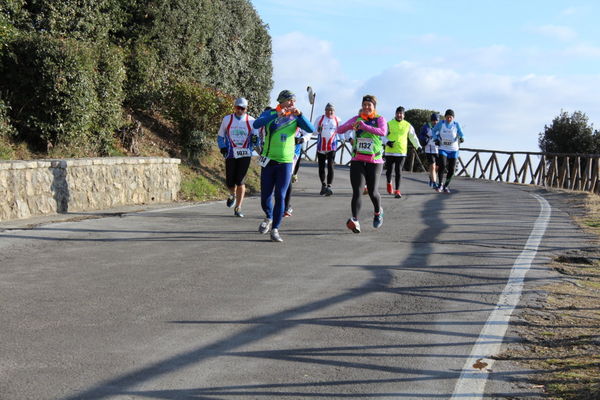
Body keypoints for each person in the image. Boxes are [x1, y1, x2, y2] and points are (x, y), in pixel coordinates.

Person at [253, 90, 315, 242]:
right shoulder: (271, 114)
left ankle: (275, 229)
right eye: (290, 101)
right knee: (265, 196)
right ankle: (268, 217)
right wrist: (277, 114)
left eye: (294, 101)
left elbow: (311, 129)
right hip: (268, 160)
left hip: (286, 162)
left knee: (280, 195)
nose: (293, 104)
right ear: (282, 101)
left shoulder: (295, 117)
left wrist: (300, 115)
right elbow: (256, 123)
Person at [336, 95, 387, 233]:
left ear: (374, 107)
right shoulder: (356, 118)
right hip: (358, 159)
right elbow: (339, 130)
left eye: (369, 105)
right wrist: (350, 126)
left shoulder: (379, 119)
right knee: (357, 191)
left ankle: (378, 212)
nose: (366, 107)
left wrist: (365, 126)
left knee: (372, 191)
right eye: (364, 104)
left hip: (374, 161)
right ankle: (355, 220)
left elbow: (382, 132)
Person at [216, 97, 258, 217]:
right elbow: (220, 136)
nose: (240, 110)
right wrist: (222, 147)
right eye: (238, 108)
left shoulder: (251, 121)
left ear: (246, 109)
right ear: (234, 107)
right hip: (230, 152)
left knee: (240, 180)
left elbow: (256, 138)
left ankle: (238, 207)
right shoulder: (227, 119)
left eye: (242, 108)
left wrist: (255, 143)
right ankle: (232, 194)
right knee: (230, 181)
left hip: (245, 153)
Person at [384, 106, 421, 198]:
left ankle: (397, 191)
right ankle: (389, 183)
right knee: (389, 171)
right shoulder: (389, 123)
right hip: (389, 151)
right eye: (398, 113)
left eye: (401, 113)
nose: (399, 115)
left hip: (401, 152)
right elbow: (382, 135)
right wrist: (387, 142)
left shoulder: (408, 125)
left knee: (398, 171)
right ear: (395, 114)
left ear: (404, 115)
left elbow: (413, 137)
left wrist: (418, 146)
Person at [432, 109, 465, 193]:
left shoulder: (456, 125)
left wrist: (462, 138)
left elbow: (461, 133)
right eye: (447, 117)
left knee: (452, 169)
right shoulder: (441, 124)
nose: (449, 119)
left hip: (453, 149)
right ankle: (440, 184)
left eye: (450, 117)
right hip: (443, 148)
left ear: (453, 118)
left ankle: (446, 186)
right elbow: (433, 130)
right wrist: (436, 139)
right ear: (445, 116)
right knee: (442, 165)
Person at [313, 103, 342, 196]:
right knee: (321, 166)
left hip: (332, 146)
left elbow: (341, 132)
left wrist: (344, 139)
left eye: (331, 110)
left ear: (334, 111)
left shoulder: (338, 120)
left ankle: (329, 186)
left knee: (330, 165)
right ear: (325, 111)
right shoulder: (320, 118)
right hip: (321, 146)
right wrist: (318, 130)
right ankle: (323, 185)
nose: (330, 112)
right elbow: (313, 132)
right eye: (328, 110)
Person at [284, 128, 313, 217]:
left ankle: (286, 207)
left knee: (287, 177)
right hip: (278, 152)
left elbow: (309, 132)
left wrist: (302, 139)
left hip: (293, 153)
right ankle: (282, 205)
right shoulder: (280, 117)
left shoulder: (298, 118)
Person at [419, 113, 440, 188]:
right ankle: (434, 183)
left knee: (437, 167)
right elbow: (421, 135)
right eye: (434, 120)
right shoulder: (426, 127)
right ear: (431, 121)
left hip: (438, 150)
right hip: (429, 150)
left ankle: (431, 178)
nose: (435, 122)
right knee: (433, 166)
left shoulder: (440, 127)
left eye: (437, 120)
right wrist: (425, 139)